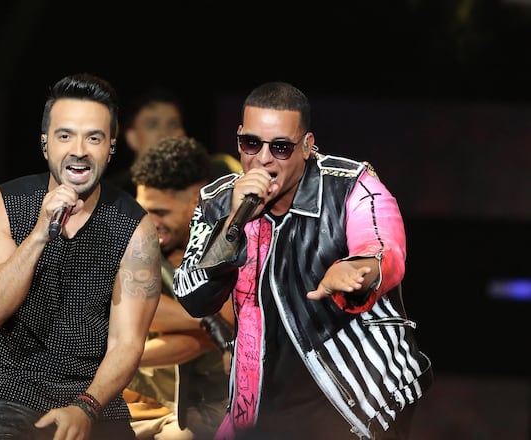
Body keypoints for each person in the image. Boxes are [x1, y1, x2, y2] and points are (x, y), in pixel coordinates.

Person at [172, 81, 433, 440]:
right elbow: (192, 295)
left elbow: (384, 248)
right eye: (251, 143)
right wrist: (233, 225)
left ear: (308, 146)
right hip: (256, 411)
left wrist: (359, 270)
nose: (262, 159)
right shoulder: (219, 202)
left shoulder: (351, 185)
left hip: (354, 408)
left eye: (280, 147)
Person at [0, 73, 161, 440]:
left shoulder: (135, 228)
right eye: (65, 135)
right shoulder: (1, 205)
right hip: (8, 384)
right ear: (45, 144)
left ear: (111, 147)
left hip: (93, 393)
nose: (79, 150)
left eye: (94, 137)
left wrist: (86, 405)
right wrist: (40, 232)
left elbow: (127, 342)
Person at [128, 136, 235, 440]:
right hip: (134, 401)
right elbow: (137, 303)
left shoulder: (226, 249)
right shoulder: (133, 242)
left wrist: (122, 357)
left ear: (198, 203)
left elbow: (202, 340)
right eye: (143, 209)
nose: (148, 222)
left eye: (160, 213)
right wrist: (206, 318)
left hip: (203, 406)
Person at [105, 86, 241, 196]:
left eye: (173, 124)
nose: (165, 134)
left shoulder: (213, 180)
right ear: (131, 137)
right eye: (152, 125)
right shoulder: (113, 193)